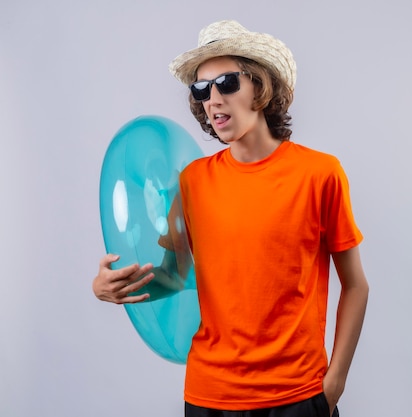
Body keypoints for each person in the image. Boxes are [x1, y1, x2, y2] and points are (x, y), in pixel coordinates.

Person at [93, 20, 369, 417]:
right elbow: (174, 275)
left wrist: (335, 384)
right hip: (210, 396)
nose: (213, 99)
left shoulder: (319, 173)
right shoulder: (191, 181)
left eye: (227, 83)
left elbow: (356, 286)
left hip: (299, 395)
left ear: (260, 86)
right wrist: (112, 288)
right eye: (202, 90)